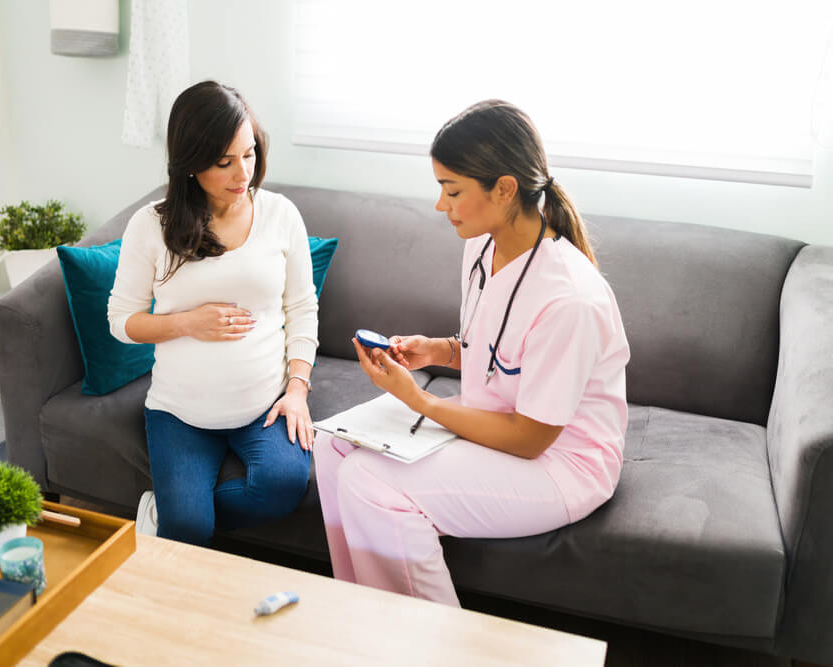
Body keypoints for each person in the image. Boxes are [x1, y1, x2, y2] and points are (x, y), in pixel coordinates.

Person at [314, 100, 630, 606]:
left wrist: (420, 402)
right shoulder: (482, 247)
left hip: (561, 462)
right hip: (495, 421)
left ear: (505, 189)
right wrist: (437, 351)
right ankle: (364, 620)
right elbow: (497, 352)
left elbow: (530, 438)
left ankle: (441, 646)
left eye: (452, 190)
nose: (442, 206)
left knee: (370, 481)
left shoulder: (569, 298)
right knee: (331, 448)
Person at [108, 81, 317, 546]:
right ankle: (180, 515)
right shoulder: (151, 226)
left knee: (283, 486)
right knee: (190, 532)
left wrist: (298, 389)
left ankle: (177, 513)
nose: (242, 172)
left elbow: (303, 308)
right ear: (190, 164)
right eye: (224, 162)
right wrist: (186, 323)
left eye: (249, 154)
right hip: (180, 412)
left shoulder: (280, 215)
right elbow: (121, 322)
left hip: (265, 404)